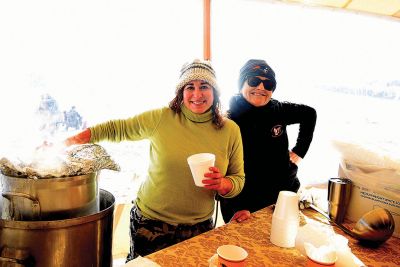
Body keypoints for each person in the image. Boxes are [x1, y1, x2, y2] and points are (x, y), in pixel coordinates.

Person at [63, 59, 245, 261]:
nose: (197, 94)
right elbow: (118, 129)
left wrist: (222, 184)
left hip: (199, 226)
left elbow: (238, 178)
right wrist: (70, 141)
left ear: (215, 91)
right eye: (189, 87)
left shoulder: (230, 130)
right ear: (180, 92)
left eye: (204, 86)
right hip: (151, 223)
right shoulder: (162, 118)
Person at [220, 59, 317, 223]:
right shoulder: (227, 119)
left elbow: (309, 114)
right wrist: (236, 205)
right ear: (241, 84)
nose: (260, 87)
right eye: (253, 81)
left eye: (268, 84)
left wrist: (300, 151)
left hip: (282, 196)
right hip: (244, 203)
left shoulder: (279, 109)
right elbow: (223, 170)